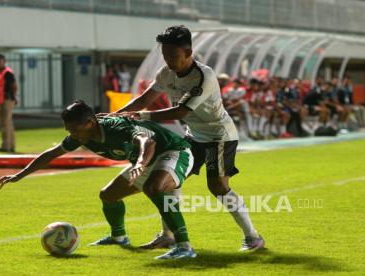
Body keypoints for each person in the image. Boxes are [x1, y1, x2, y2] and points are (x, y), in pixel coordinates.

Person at [108, 25, 264, 251]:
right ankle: (167, 235)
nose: (169, 61)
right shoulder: (166, 73)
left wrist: (142, 116)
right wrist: (114, 116)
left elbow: (181, 112)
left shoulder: (204, 76)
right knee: (170, 176)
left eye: (173, 56)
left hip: (219, 136)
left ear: (189, 53)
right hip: (193, 135)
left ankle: (253, 237)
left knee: (218, 187)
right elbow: (144, 99)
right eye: (165, 55)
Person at [0, 100, 197, 259]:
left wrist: (140, 165)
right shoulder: (82, 134)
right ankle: (119, 237)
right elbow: (52, 153)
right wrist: (19, 175)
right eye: (69, 130)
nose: (72, 134)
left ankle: (184, 247)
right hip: (144, 162)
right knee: (108, 195)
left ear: (90, 122)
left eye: (74, 129)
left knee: (154, 188)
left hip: (174, 151)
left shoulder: (115, 127)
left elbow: (147, 141)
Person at [0, 54, 17, 153]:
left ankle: (5, 146)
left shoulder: (7, 73)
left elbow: (14, 86)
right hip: (2, 100)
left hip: (5, 100)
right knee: (8, 123)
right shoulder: (0, 73)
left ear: (4, 61)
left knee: (4, 124)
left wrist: (13, 97)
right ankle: (10, 145)